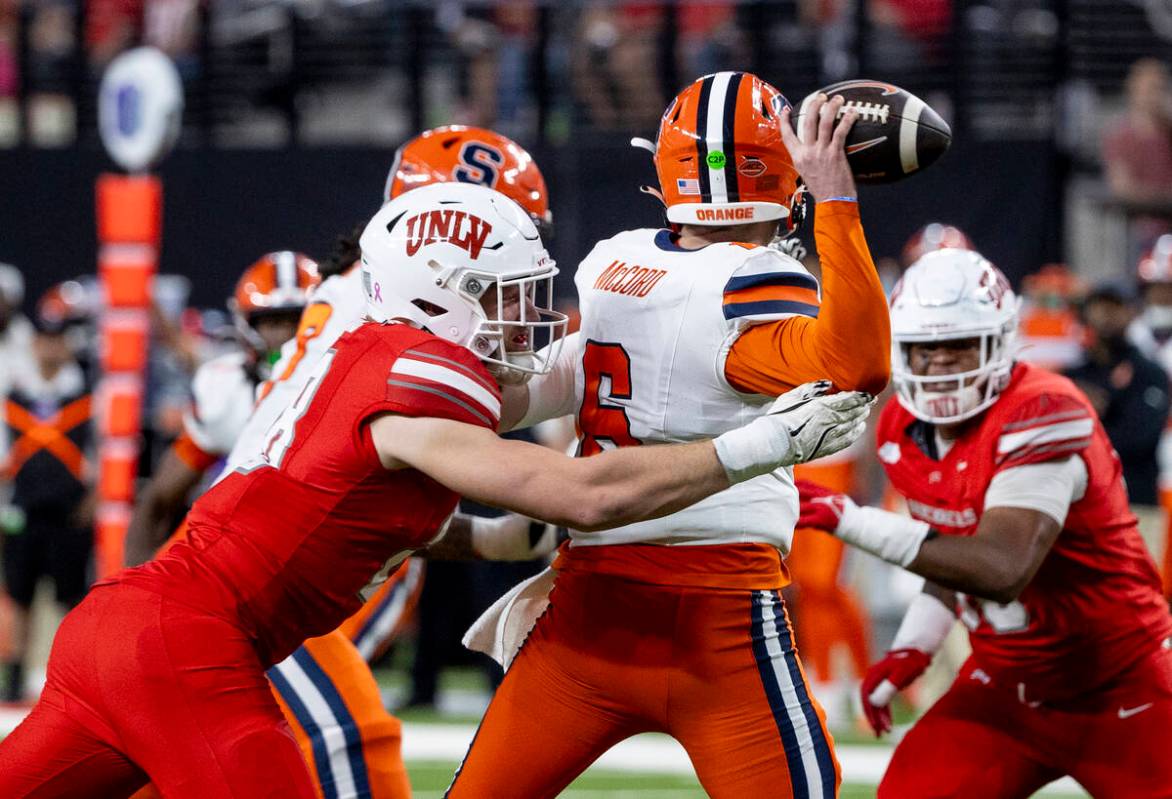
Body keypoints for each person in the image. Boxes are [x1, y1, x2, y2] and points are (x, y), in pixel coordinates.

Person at [0, 181, 872, 797]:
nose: (523, 316)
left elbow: (337, 507)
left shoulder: (362, 349)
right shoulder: (414, 376)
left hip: (122, 628)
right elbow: (586, 496)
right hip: (190, 643)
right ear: (436, 298)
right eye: (500, 296)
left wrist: (486, 541)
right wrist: (764, 443)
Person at [451, 72, 891, 798]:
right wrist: (837, 202)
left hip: (589, 616)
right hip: (719, 623)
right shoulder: (750, 277)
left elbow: (551, 380)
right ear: (786, 177)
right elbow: (860, 365)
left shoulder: (614, 261)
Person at [797, 248, 1172, 798]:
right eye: (926, 349)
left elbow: (999, 567)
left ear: (999, 343)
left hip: (1119, 682)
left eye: (959, 345)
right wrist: (913, 648)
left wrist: (844, 517)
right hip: (1005, 686)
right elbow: (949, 554)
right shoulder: (901, 427)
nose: (942, 362)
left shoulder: (1044, 409)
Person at [124, 251, 319, 567]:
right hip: (256, 554)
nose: (285, 337)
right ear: (245, 324)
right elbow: (159, 500)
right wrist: (131, 578)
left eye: (297, 321)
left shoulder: (349, 378)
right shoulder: (225, 390)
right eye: (272, 322)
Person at [1, 286, 95, 702]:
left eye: (59, 338)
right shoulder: (13, 396)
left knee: (72, 600)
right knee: (17, 596)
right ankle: (14, 675)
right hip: (23, 512)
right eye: (45, 338)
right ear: (34, 342)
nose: (51, 346)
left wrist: (93, 503)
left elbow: (106, 452)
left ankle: (69, 679)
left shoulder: (89, 395)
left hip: (70, 515)